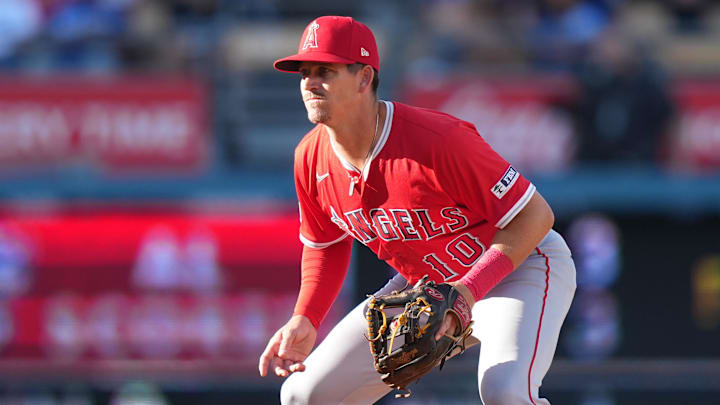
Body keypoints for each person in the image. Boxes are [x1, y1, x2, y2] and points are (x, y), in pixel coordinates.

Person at [258, 15, 576, 405]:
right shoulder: (310, 157)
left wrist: (467, 291)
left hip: (520, 270)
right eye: (303, 72)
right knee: (304, 395)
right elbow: (325, 245)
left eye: (325, 70)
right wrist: (305, 317)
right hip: (427, 287)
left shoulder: (437, 141)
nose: (309, 82)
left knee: (505, 393)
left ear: (363, 78)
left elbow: (535, 216)